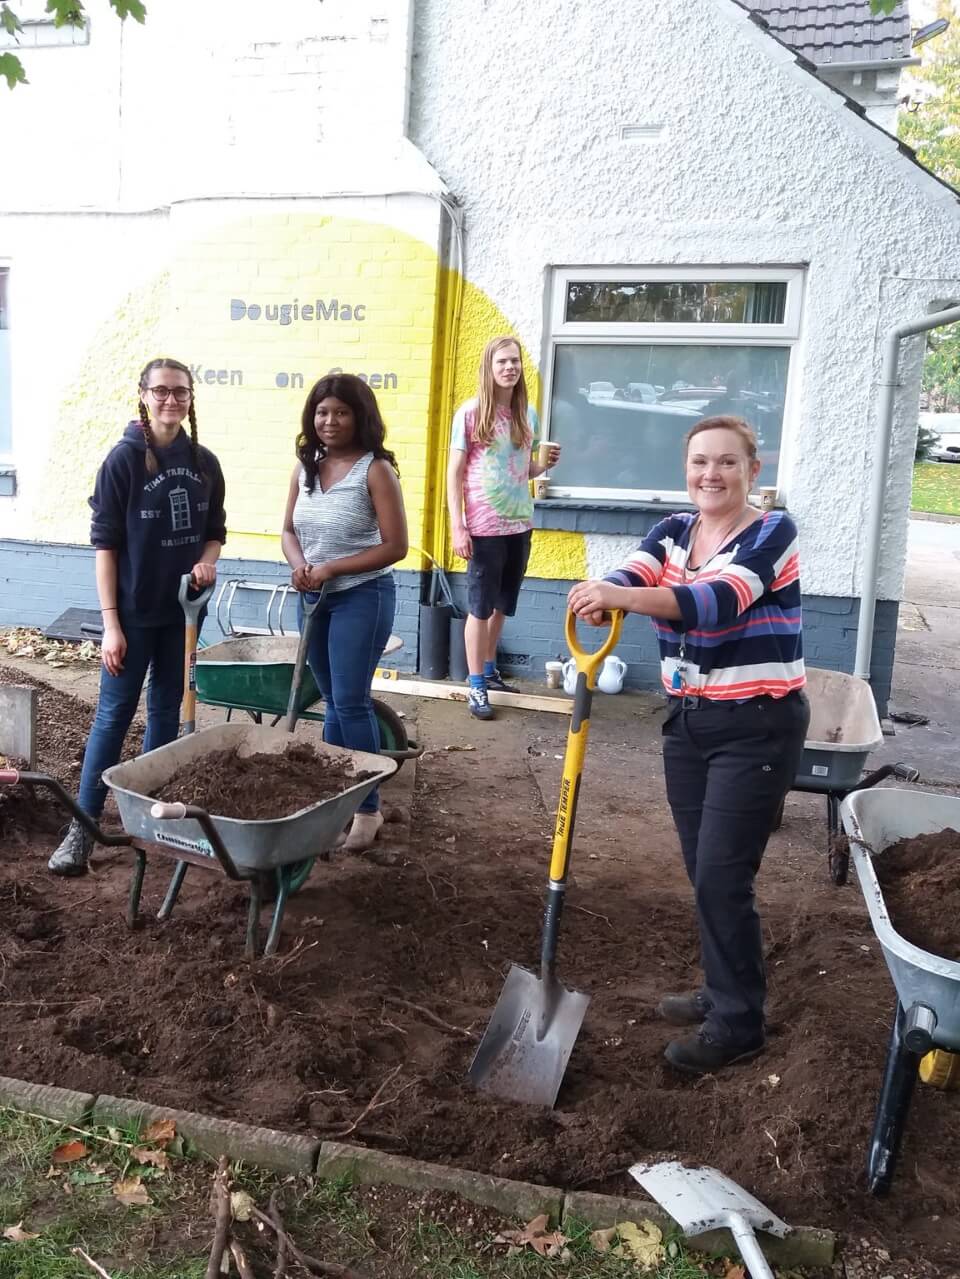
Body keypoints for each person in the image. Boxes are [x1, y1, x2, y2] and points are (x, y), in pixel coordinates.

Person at [568, 416, 808, 1075]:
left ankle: (738, 1022)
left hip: (757, 722)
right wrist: (601, 593)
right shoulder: (674, 530)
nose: (711, 473)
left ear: (753, 470)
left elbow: (717, 600)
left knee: (724, 874)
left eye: (727, 462)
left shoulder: (772, 532)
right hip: (689, 722)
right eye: (700, 461)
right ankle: (721, 986)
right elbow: (635, 568)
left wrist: (623, 595)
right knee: (705, 868)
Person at [48, 358, 227, 875]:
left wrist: (206, 562)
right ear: (143, 396)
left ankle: (154, 822)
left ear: (191, 398)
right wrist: (110, 623)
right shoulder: (123, 461)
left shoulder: (204, 463)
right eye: (162, 391)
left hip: (181, 615)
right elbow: (105, 546)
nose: (172, 400)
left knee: (167, 713)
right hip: (130, 616)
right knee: (112, 716)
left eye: (181, 392)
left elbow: (214, 530)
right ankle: (82, 830)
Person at [281, 373, 407, 852]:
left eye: (340, 412)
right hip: (313, 597)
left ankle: (368, 809)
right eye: (321, 412)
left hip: (363, 596)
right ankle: (338, 800)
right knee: (331, 701)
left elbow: (396, 546)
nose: (329, 421)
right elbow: (288, 531)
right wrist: (301, 568)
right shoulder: (305, 466)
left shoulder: (375, 471)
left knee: (350, 703)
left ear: (360, 416)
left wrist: (332, 568)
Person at [446, 335, 560, 720]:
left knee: (503, 605)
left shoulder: (528, 415)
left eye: (515, 362)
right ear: (489, 368)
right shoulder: (471, 413)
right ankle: (475, 684)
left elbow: (521, 470)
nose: (510, 367)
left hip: (519, 523)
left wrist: (543, 467)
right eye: (502, 362)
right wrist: (457, 526)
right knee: (479, 608)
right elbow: (455, 472)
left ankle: (490, 670)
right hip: (483, 525)